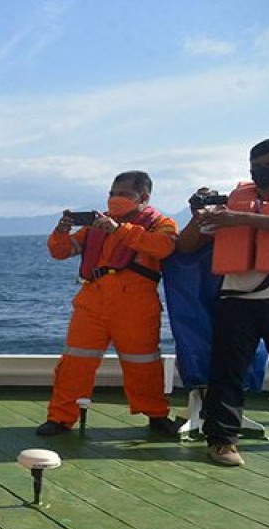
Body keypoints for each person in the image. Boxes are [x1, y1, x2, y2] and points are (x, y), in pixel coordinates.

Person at [175, 137, 269, 467]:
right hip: (236, 300)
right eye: (256, 166)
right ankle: (221, 441)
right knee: (226, 372)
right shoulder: (231, 205)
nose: (262, 172)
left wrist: (245, 219)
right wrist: (198, 215)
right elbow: (187, 246)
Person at [37, 171, 180, 437]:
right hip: (92, 300)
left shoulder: (161, 223)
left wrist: (120, 230)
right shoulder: (95, 225)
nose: (115, 199)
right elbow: (61, 251)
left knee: (143, 363)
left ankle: (157, 415)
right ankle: (60, 417)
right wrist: (61, 231)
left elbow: (164, 248)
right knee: (75, 362)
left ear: (144, 197)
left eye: (123, 195)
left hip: (136, 303)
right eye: (112, 193)